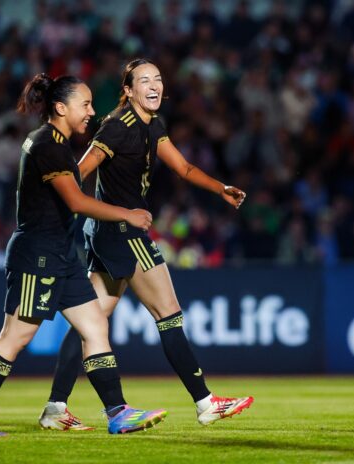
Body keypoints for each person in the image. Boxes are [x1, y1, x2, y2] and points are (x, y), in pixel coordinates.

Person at [38, 59, 253, 431]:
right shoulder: (117, 127)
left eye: (158, 79)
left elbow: (183, 168)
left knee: (90, 321)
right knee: (169, 314)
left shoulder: (153, 125)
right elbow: (80, 170)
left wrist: (221, 189)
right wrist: (57, 210)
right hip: (122, 232)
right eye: (144, 80)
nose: (154, 85)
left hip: (107, 232)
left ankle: (55, 407)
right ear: (128, 90)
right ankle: (205, 402)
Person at [0, 73, 167, 437]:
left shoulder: (54, 142)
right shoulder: (47, 145)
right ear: (61, 107)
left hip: (62, 255)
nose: (91, 112)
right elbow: (76, 201)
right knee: (16, 336)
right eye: (85, 104)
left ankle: (117, 412)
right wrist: (126, 214)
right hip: (37, 255)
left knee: (95, 325)